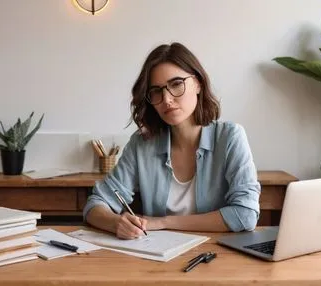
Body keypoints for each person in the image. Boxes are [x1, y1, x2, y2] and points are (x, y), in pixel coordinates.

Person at [83, 42, 261, 239]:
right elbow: (96, 204)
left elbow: (245, 215)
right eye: (156, 91)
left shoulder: (230, 138)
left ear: (198, 83)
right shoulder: (142, 144)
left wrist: (163, 222)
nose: (166, 99)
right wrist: (117, 222)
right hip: (158, 258)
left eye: (176, 84)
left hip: (215, 257)